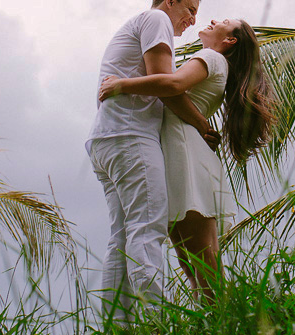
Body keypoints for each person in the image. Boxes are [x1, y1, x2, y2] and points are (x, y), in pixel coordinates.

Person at [99, 18, 275, 301]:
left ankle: (223, 322)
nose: (214, 20)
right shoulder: (217, 62)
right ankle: (210, 325)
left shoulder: (210, 56)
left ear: (230, 41)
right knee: (190, 258)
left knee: (201, 256)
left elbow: (174, 84)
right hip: (180, 152)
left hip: (185, 154)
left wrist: (122, 84)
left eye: (224, 22)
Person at [87, 0, 218, 322]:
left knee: (122, 237)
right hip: (130, 137)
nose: (192, 21)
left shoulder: (139, 24)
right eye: (190, 10)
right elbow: (167, 85)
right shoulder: (156, 19)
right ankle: (157, 326)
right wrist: (204, 125)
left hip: (106, 139)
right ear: (170, 0)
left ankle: (118, 331)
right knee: (148, 229)